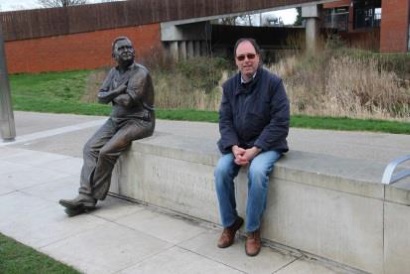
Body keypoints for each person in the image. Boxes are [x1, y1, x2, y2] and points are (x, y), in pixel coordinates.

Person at [59, 36, 155, 216]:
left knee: (105, 152)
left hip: (139, 121)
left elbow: (126, 102)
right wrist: (118, 90)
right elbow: (100, 98)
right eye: (122, 48)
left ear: (134, 51)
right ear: (114, 54)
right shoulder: (113, 73)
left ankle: (89, 199)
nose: (126, 51)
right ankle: (84, 194)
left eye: (129, 47)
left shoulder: (141, 73)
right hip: (116, 120)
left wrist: (110, 94)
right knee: (89, 148)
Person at [214, 38, 290, 256]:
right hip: (238, 145)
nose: (246, 61)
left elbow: (280, 122)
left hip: (267, 146)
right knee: (221, 170)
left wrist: (256, 149)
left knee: (257, 172)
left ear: (258, 57)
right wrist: (234, 146)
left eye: (250, 56)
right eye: (241, 57)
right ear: (236, 61)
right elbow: (225, 121)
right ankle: (230, 223)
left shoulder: (273, 83)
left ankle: (253, 230)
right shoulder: (229, 87)